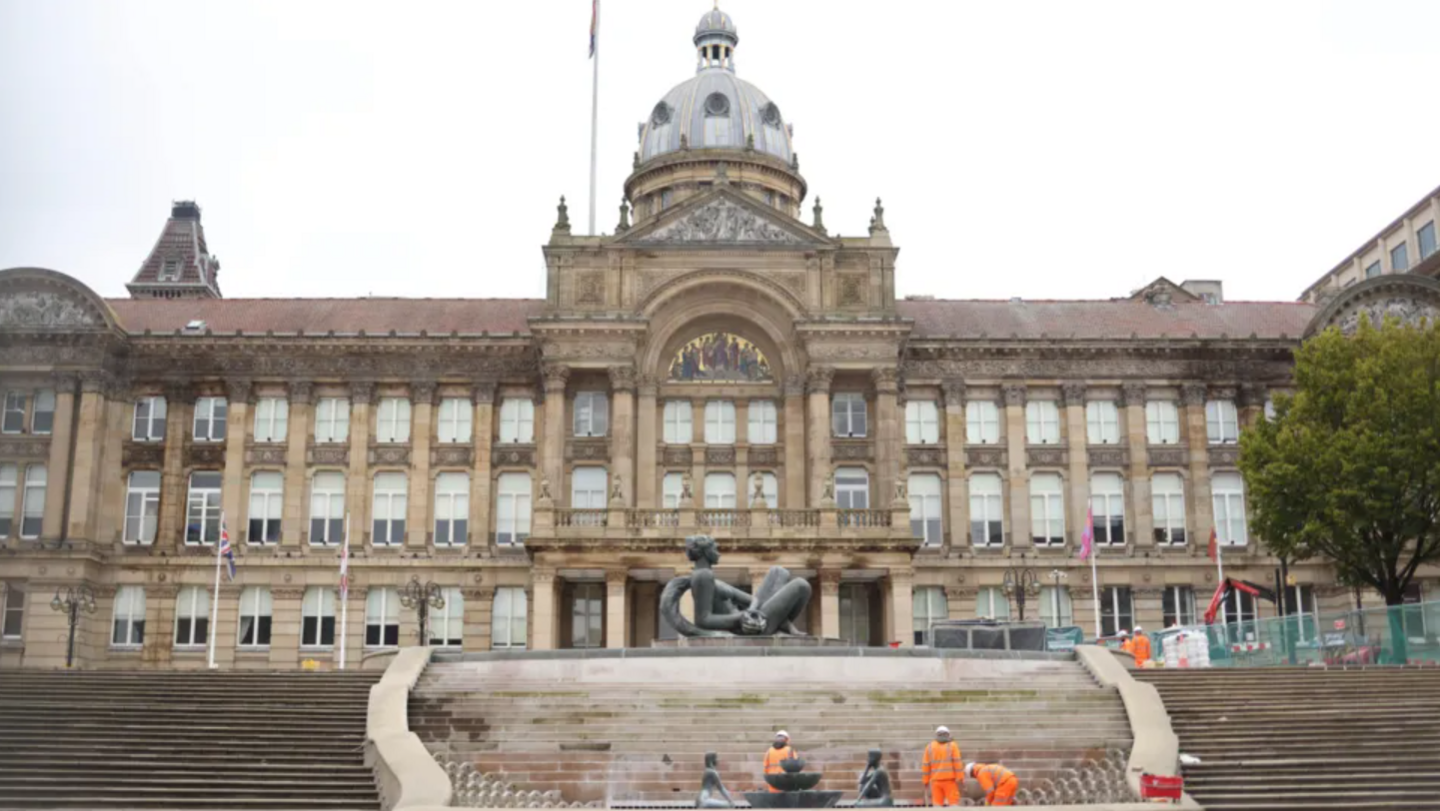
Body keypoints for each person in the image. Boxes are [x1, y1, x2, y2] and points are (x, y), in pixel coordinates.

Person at [921, 725, 963, 807]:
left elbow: (926, 766)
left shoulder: (929, 747)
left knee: (937, 804)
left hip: (936, 782)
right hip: (950, 781)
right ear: (948, 734)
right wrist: (960, 778)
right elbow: (957, 763)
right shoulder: (952, 745)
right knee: (953, 803)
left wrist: (925, 781)